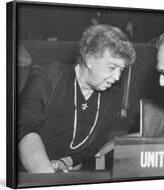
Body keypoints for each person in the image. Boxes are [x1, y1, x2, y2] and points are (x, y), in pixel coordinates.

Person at [18, 24, 136, 173]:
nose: (117, 77)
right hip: (30, 169)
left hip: (70, 171)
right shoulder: (46, 78)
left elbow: (95, 145)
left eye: (121, 70)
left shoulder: (113, 96)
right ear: (89, 59)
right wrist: (45, 173)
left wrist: (65, 162)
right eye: (112, 68)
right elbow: (24, 127)